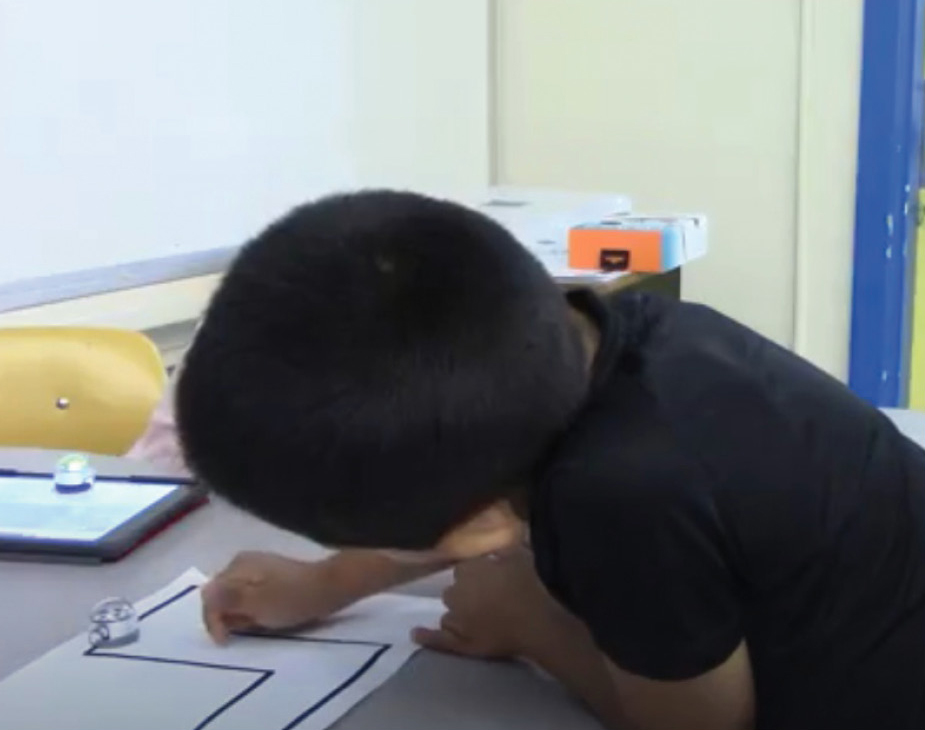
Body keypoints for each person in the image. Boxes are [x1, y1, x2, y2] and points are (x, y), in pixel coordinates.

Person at [175, 190, 925, 730]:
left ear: (480, 531)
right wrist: (330, 581)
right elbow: (478, 478)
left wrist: (527, 623)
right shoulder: (609, 330)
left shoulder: (621, 497)